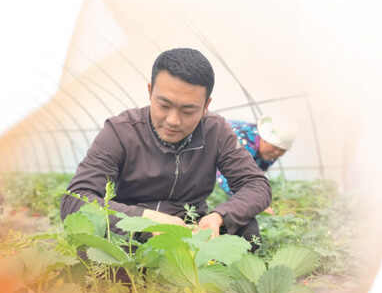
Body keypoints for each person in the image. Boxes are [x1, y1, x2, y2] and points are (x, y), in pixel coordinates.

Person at [60, 48, 271, 247]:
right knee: (100, 241)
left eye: (188, 111)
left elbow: (256, 184)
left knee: (247, 231)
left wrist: (218, 217)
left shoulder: (215, 131)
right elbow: (75, 199)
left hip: (191, 229)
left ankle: (202, 264)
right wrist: (145, 220)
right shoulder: (121, 131)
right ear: (150, 91)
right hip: (134, 231)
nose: (173, 120)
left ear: (206, 106)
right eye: (164, 105)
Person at [216, 115, 297, 213]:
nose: (277, 153)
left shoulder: (270, 153)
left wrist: (260, 198)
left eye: (282, 150)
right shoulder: (240, 141)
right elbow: (226, 177)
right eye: (275, 147)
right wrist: (251, 202)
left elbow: (256, 176)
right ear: (264, 139)